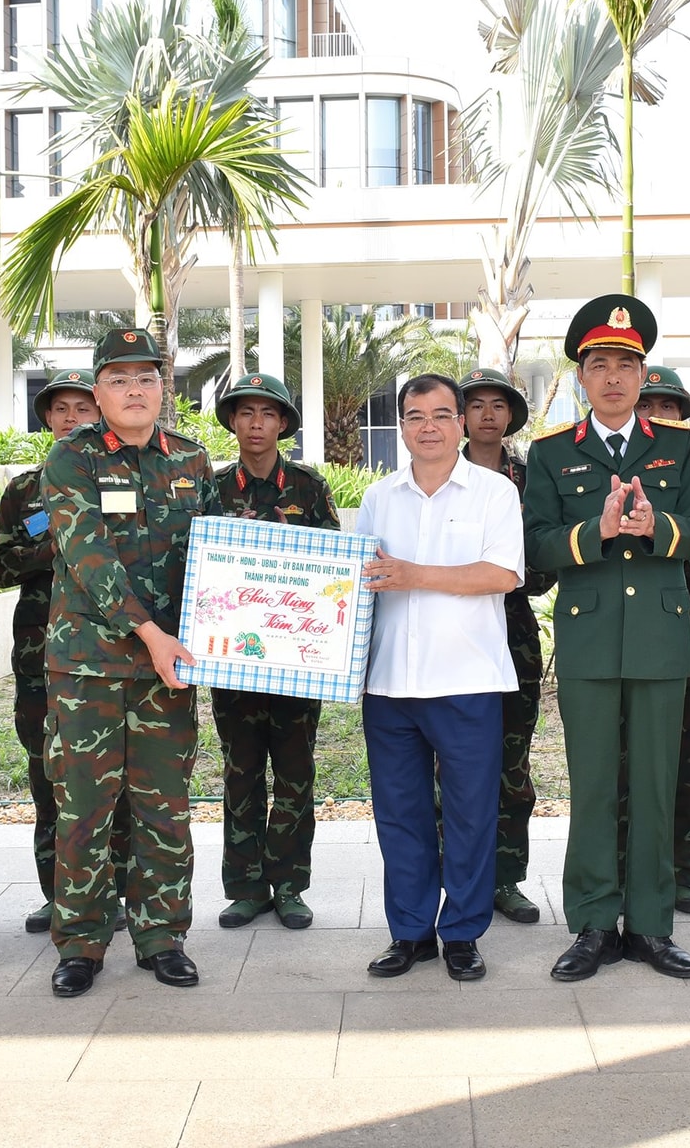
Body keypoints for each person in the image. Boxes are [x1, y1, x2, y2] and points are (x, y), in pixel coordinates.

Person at [522, 296, 690, 983]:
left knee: (658, 786)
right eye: (598, 364)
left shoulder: (677, 447)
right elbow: (537, 546)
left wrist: (653, 528)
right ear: (581, 376)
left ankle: (654, 928)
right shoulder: (549, 454)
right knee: (594, 785)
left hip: (663, 643)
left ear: (642, 377)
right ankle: (595, 924)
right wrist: (596, 532)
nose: (612, 376)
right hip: (589, 643)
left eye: (625, 365)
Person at [43, 329, 217, 999]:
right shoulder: (71, 459)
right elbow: (89, 559)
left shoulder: (193, 462)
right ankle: (81, 943)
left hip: (167, 670)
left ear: (163, 387)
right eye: (118, 379)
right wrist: (149, 631)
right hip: (89, 667)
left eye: (146, 377)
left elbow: (215, 561)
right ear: (97, 393)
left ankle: (161, 936)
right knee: (85, 809)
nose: (134, 389)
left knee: (164, 808)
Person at [357, 373, 524, 981]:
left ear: (460, 424)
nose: (427, 426)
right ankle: (409, 933)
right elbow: (359, 584)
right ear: (401, 427)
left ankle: (461, 935)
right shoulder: (380, 498)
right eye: (414, 415)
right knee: (399, 815)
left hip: (468, 681)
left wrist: (415, 574)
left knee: (471, 815)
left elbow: (503, 574)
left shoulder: (493, 493)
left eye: (440, 415)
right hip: (390, 685)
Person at [210, 372, 340, 931]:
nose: (255, 423)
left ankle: (289, 885)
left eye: (267, 414)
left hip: (297, 660)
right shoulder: (210, 489)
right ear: (233, 423)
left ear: (283, 423)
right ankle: (244, 887)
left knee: (293, 772)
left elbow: (336, 569)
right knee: (240, 773)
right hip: (234, 660)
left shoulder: (309, 489)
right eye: (245, 413)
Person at [0, 367, 104, 935]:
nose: (71, 419)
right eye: (60, 409)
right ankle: (57, 894)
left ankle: (117, 893)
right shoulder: (23, 490)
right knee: (48, 775)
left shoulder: (118, 478)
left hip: (107, 653)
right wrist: (62, 545)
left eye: (82, 408)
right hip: (39, 654)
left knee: (111, 785)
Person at [632, 367, 690, 916]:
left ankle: (683, 873)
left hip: (689, 645)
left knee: (685, 769)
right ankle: (626, 873)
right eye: (650, 408)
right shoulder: (608, 479)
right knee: (624, 769)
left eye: (670, 409)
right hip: (622, 642)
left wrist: (664, 532)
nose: (659, 417)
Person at [460, 366, 551, 924]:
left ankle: (507, 878)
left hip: (513, 632)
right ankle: (458, 877)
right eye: (476, 405)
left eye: (499, 405)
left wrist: (509, 569)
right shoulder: (437, 469)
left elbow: (542, 564)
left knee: (511, 764)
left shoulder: (530, 478)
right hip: (452, 634)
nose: (488, 414)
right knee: (454, 767)